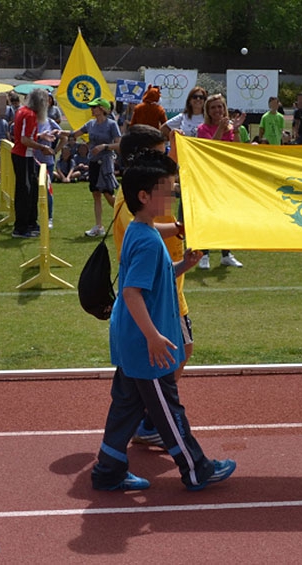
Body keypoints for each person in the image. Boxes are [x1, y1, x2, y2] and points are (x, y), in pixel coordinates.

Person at [91, 149, 236, 492]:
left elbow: (151, 281)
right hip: (146, 348)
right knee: (169, 412)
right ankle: (196, 469)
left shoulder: (144, 233)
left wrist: (183, 265)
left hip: (132, 343)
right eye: (166, 189)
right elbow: (132, 293)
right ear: (144, 196)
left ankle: (107, 469)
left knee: (126, 408)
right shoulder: (147, 242)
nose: (172, 195)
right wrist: (155, 337)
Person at [113, 124, 194, 447]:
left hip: (167, 284)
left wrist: (184, 261)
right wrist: (176, 228)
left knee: (135, 386)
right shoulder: (137, 216)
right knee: (170, 359)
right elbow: (133, 289)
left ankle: (115, 455)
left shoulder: (146, 201)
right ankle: (165, 431)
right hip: (158, 297)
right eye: (160, 153)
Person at [196, 93, 245, 269]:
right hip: (209, 177)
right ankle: (204, 254)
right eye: (213, 107)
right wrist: (220, 130)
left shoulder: (231, 127)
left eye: (220, 107)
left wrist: (237, 130)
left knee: (227, 215)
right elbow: (209, 149)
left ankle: (226, 253)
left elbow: (238, 150)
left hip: (227, 176)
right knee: (208, 215)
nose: (217, 110)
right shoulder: (203, 128)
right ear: (208, 111)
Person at [66, 97, 122, 237]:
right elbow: (74, 134)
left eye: (94, 107)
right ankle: (98, 226)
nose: (91, 109)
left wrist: (105, 146)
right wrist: (57, 132)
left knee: (108, 194)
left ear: (102, 109)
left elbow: (119, 145)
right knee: (96, 194)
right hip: (93, 163)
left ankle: (126, 216)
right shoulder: (90, 124)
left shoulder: (111, 124)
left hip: (105, 163)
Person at [11, 88, 55, 238]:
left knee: (31, 189)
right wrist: (42, 147)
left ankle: (30, 223)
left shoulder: (24, 111)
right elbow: (24, 140)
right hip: (23, 156)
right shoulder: (29, 115)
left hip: (25, 156)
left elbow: (25, 135)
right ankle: (21, 228)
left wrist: (40, 136)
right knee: (25, 191)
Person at [33, 114, 62, 229]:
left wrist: (54, 151)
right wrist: (40, 136)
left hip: (46, 163)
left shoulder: (50, 122)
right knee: (33, 191)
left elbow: (64, 137)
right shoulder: (31, 120)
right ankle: (33, 218)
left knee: (47, 191)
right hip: (32, 160)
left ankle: (49, 217)